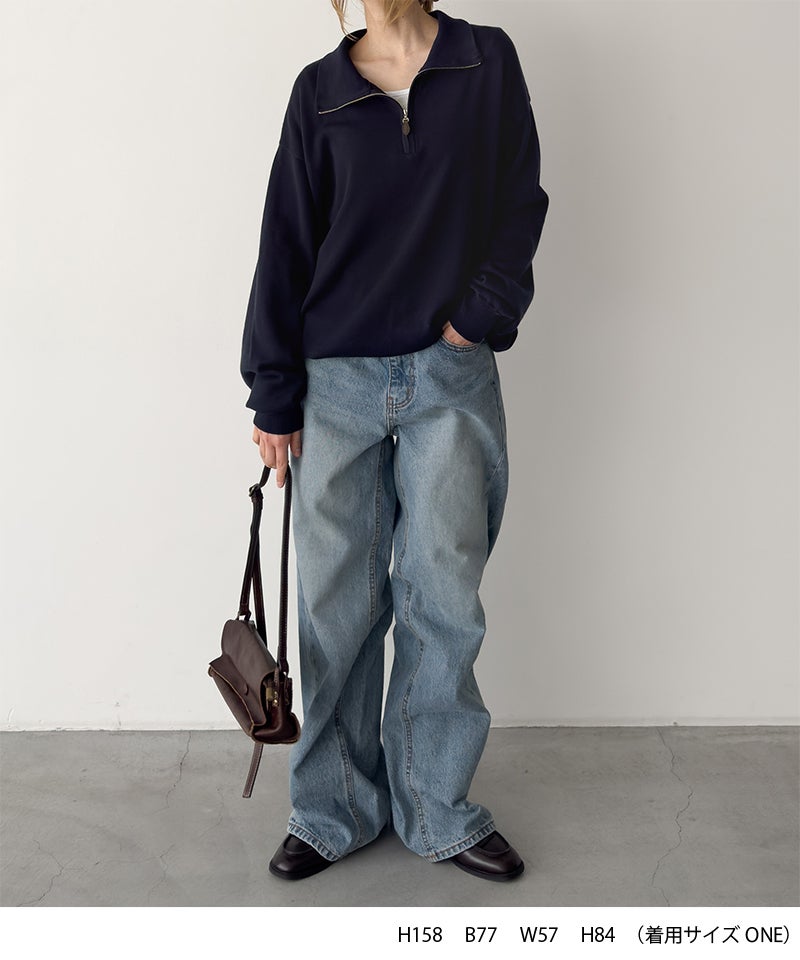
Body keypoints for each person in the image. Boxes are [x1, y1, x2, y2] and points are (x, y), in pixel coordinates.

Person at [240, 0, 549, 882]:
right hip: (333, 386)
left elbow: (519, 202)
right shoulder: (320, 92)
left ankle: (437, 806)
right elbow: (285, 242)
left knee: (443, 598)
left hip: (451, 377)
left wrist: (475, 320)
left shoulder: (485, 62)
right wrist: (273, 390)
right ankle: (332, 809)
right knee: (335, 608)